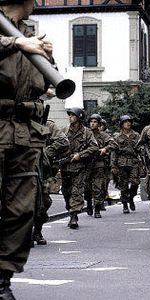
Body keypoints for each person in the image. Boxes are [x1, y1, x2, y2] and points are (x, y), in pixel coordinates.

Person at [0, 0, 56, 297]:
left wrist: (47, 57)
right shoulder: (13, 35)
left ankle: (3, 278)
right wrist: (16, 43)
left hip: (25, 130)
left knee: (22, 210)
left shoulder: (29, 33)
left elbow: (49, 82)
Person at [60, 108, 98, 229]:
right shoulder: (64, 131)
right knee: (66, 191)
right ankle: (70, 207)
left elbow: (94, 148)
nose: (70, 117)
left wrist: (80, 155)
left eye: (72, 115)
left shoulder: (87, 133)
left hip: (80, 167)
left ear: (79, 117)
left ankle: (74, 216)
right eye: (69, 115)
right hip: (65, 167)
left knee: (77, 191)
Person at [33, 119, 69, 245]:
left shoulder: (47, 124)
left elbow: (63, 141)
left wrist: (45, 153)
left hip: (44, 171)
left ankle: (37, 231)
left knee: (45, 201)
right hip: (22, 170)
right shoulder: (16, 122)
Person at [85, 114, 116, 218]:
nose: (92, 124)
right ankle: (89, 203)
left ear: (98, 124)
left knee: (98, 187)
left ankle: (97, 209)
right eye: (91, 122)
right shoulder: (85, 134)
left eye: (95, 122)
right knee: (86, 187)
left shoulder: (103, 135)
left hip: (99, 164)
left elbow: (113, 144)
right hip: (86, 164)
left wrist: (105, 149)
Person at [112, 115, 141, 214]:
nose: (128, 123)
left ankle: (131, 198)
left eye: (129, 121)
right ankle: (125, 204)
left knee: (135, 183)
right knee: (123, 185)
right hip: (121, 162)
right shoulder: (117, 137)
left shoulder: (136, 135)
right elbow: (113, 152)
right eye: (125, 122)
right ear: (121, 124)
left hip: (133, 161)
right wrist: (113, 166)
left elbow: (140, 149)